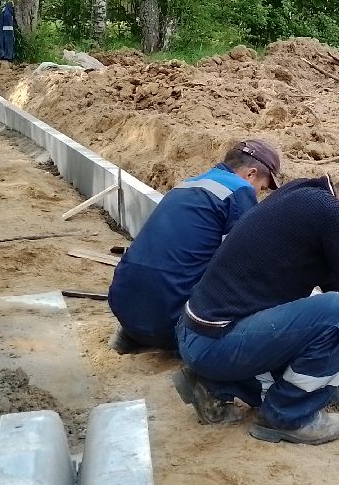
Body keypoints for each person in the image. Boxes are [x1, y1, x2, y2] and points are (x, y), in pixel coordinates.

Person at [174, 173, 339, 445]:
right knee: (336, 313)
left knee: (297, 359)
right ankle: (289, 418)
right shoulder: (333, 213)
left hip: (198, 334)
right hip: (215, 342)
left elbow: (334, 278)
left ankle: (214, 385)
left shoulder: (305, 194)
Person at [107, 139, 282, 352]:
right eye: (261, 187)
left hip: (123, 305)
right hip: (168, 321)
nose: (258, 193)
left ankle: (136, 334)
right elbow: (245, 264)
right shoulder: (239, 191)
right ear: (251, 174)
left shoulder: (187, 184)